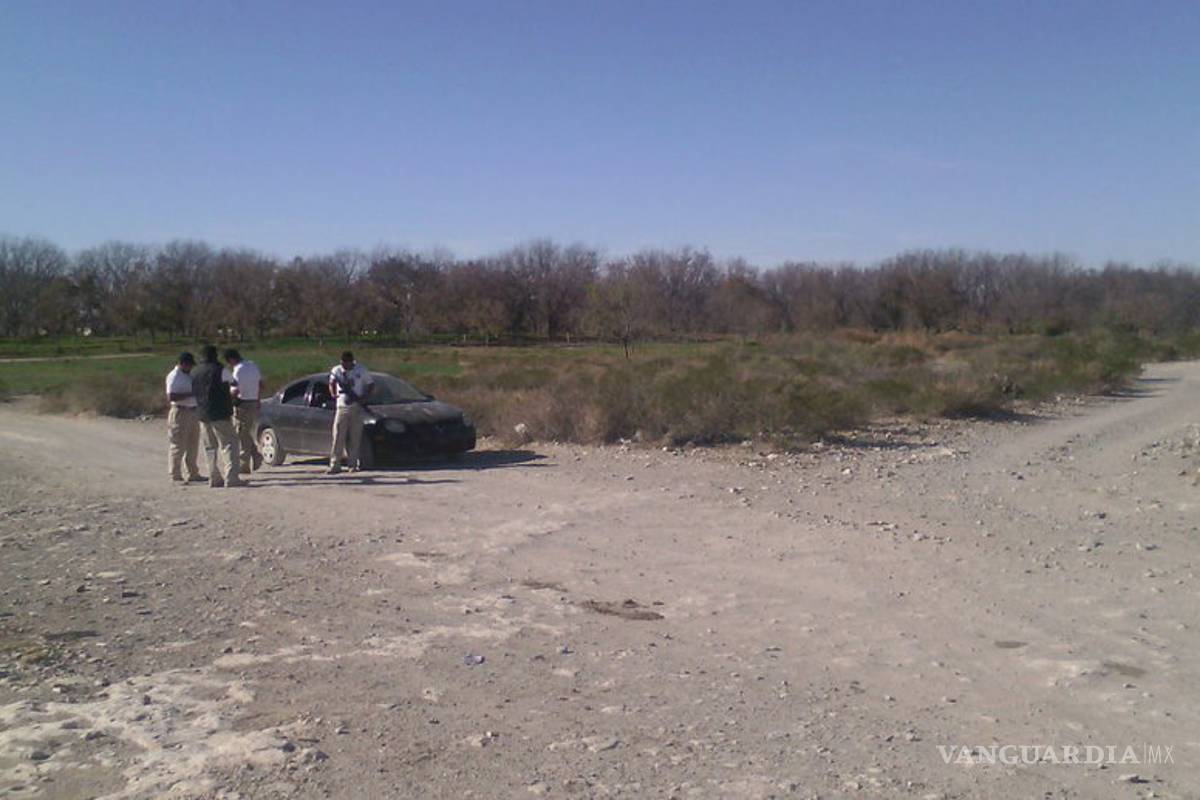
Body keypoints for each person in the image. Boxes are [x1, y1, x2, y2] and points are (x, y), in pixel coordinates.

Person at [190, 345, 245, 488]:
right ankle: (231, 477)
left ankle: (214, 478)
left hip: (202, 413)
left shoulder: (194, 371)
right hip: (220, 412)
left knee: (209, 447)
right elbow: (234, 383)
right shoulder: (221, 370)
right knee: (229, 444)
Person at [327, 351, 374, 474]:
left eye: (346, 363)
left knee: (355, 437)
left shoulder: (361, 370)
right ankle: (335, 464)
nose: (344, 365)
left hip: (356, 406)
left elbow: (370, 384)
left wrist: (364, 397)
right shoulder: (337, 371)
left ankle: (352, 464)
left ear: (351, 361)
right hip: (342, 407)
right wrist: (333, 394)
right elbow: (331, 383)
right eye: (342, 363)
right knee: (338, 437)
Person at [165, 352, 204, 483]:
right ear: (182, 364)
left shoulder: (188, 376)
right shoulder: (174, 376)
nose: (190, 368)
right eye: (189, 365)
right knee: (178, 444)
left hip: (193, 411)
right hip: (180, 412)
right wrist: (191, 394)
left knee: (193, 444)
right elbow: (172, 396)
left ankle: (193, 472)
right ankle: (175, 474)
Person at [223, 348, 264, 474]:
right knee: (245, 432)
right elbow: (261, 384)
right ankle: (255, 455)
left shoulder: (238, 370)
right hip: (253, 402)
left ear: (231, 360)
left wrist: (226, 396)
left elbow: (235, 390)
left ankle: (244, 463)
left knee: (241, 434)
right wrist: (257, 398)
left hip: (242, 403)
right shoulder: (253, 365)